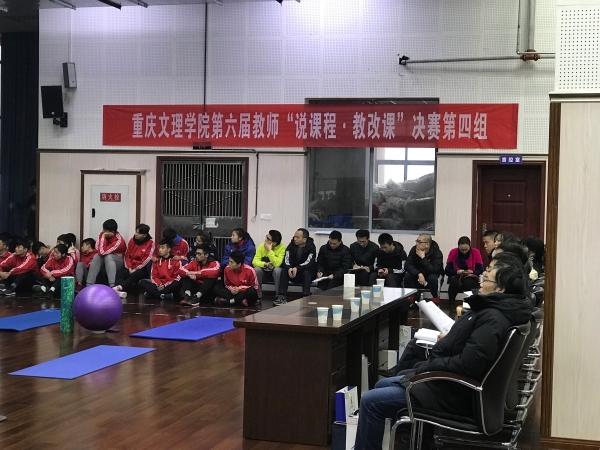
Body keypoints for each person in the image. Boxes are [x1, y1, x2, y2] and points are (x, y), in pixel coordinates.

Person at [354, 252, 531, 450]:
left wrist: (428, 367)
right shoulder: (495, 311)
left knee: (370, 401)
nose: (480, 281)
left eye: (486, 278)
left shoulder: (493, 319)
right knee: (382, 384)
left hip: (452, 393)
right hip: (446, 384)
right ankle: (417, 440)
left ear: (500, 288)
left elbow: (468, 364)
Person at [274, 228, 317, 306]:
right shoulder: (291, 245)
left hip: (305, 272)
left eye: (297, 237)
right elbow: (286, 259)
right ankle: (282, 296)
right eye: (294, 236)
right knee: (284, 270)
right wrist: (289, 268)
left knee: (306, 272)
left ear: (304, 239)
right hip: (293, 272)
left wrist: (297, 268)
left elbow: (309, 262)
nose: (295, 239)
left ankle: (305, 297)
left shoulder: (311, 247)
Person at [113, 224, 155, 298]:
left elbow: (147, 258)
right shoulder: (132, 241)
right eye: (136, 232)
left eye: (139, 233)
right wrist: (129, 267)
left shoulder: (150, 243)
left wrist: (136, 268)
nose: (136, 234)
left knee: (135, 275)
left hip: (142, 268)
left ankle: (119, 288)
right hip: (131, 266)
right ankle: (119, 291)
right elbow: (127, 255)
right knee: (120, 273)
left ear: (145, 235)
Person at [445, 236, 485, 308]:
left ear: (470, 246)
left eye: (466, 249)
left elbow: (480, 270)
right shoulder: (453, 252)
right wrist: (457, 272)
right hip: (456, 275)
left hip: (471, 276)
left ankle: (470, 304)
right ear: (458, 247)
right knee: (454, 283)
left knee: (469, 283)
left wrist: (472, 272)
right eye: (462, 250)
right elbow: (447, 270)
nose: (464, 251)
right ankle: (451, 305)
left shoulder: (476, 252)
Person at [86, 219, 127, 288]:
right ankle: (89, 285)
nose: (103, 232)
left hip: (118, 263)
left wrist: (103, 238)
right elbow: (98, 250)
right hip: (105, 260)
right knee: (96, 256)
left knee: (108, 257)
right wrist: (103, 238)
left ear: (112, 232)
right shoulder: (102, 234)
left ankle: (112, 286)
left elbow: (102, 252)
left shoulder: (119, 241)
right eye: (103, 229)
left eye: (105, 231)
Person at [403, 233, 444, 299]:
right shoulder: (414, 250)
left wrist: (423, 258)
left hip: (433, 275)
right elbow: (408, 265)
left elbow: (434, 269)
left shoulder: (437, 253)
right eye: (416, 241)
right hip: (419, 274)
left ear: (427, 244)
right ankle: (411, 299)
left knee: (433, 278)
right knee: (408, 276)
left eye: (419, 242)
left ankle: (436, 300)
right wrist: (418, 274)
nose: (417, 244)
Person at [252, 230, 286, 299]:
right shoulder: (262, 246)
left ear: (274, 243)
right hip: (264, 272)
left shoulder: (282, 248)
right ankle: (258, 295)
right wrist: (265, 264)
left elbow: (277, 263)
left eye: (268, 239)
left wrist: (269, 251)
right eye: (266, 237)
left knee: (278, 270)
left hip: (275, 274)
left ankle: (278, 295)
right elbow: (254, 262)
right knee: (256, 269)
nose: (265, 240)